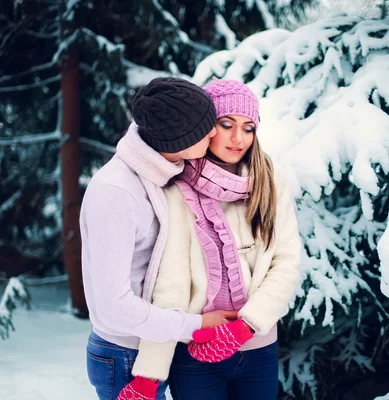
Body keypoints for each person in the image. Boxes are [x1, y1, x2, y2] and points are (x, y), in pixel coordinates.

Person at [119, 79, 301, 400]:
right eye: (226, 124)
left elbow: (286, 262)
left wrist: (245, 327)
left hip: (257, 348)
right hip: (195, 353)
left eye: (248, 128)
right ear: (206, 128)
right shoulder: (175, 189)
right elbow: (170, 285)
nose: (237, 138)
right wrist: (150, 373)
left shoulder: (270, 182)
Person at [80, 77, 238, 400]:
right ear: (177, 139)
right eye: (204, 128)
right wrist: (195, 324)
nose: (213, 133)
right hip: (124, 356)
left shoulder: (160, 174)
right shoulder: (117, 192)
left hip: (152, 347)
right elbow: (113, 307)